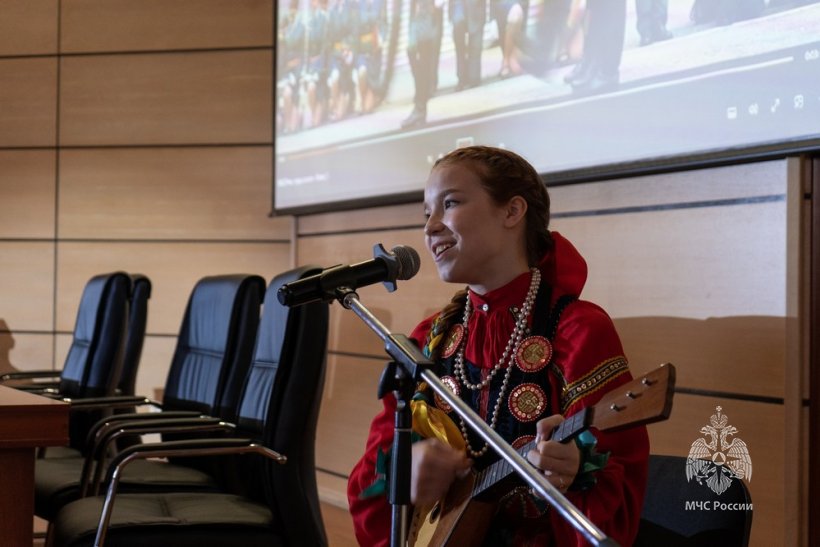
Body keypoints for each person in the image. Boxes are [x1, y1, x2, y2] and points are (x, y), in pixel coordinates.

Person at [347, 145, 649, 546]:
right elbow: (366, 491)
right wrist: (404, 473)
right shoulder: (428, 341)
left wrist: (577, 472)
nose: (430, 227)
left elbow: (620, 491)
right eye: (426, 213)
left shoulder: (577, 331)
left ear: (512, 211)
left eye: (450, 204)